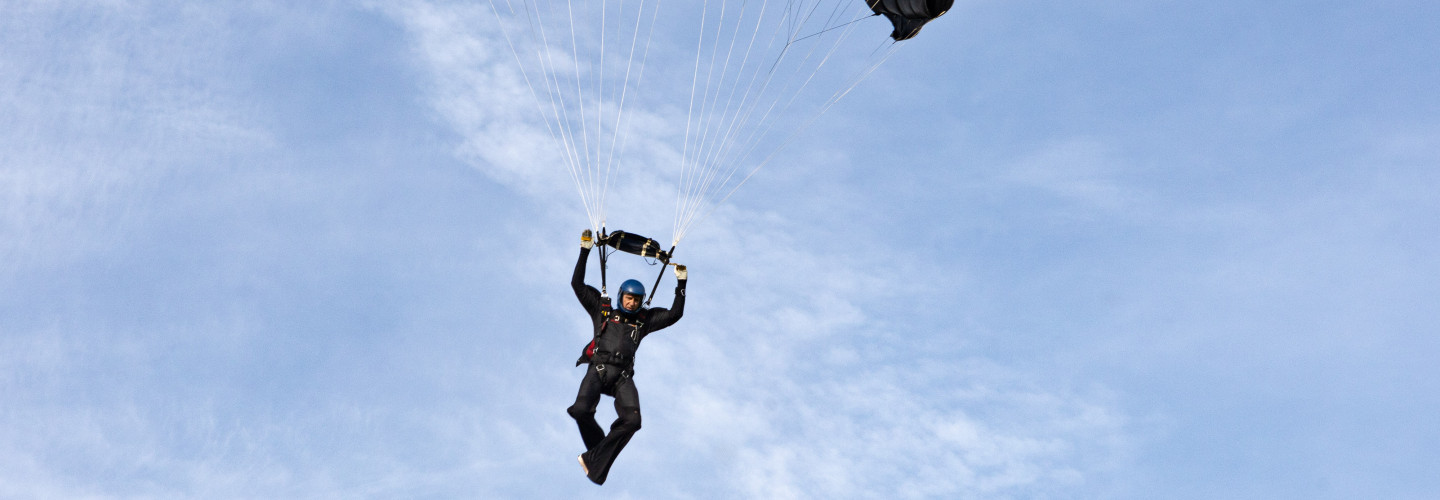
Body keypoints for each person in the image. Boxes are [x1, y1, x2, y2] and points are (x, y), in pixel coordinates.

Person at [568, 229, 687, 485]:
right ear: (621, 295)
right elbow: (577, 285)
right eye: (628, 298)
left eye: (636, 300)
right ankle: (596, 458)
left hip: (622, 377)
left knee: (633, 421)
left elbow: (674, 314)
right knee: (580, 410)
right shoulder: (603, 310)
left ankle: (594, 459)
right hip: (598, 370)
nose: (632, 303)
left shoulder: (644, 321)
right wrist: (584, 250)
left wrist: (681, 284)